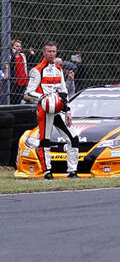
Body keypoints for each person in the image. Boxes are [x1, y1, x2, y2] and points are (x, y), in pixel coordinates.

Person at [24, 40, 80, 178]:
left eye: (54, 51)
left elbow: (63, 90)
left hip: (58, 109)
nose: (51, 54)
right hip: (45, 110)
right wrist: (44, 98)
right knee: (45, 141)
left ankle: (72, 172)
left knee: (73, 138)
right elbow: (28, 92)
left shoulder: (58, 69)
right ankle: (47, 172)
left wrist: (67, 111)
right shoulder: (37, 71)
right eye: (49, 51)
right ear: (44, 52)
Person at [6, 38, 28, 105]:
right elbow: (11, 66)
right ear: (12, 47)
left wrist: (32, 54)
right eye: (16, 46)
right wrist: (13, 53)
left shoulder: (23, 55)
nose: (18, 48)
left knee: (20, 97)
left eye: (19, 46)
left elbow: (29, 62)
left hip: (23, 80)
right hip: (15, 81)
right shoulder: (10, 57)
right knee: (14, 98)